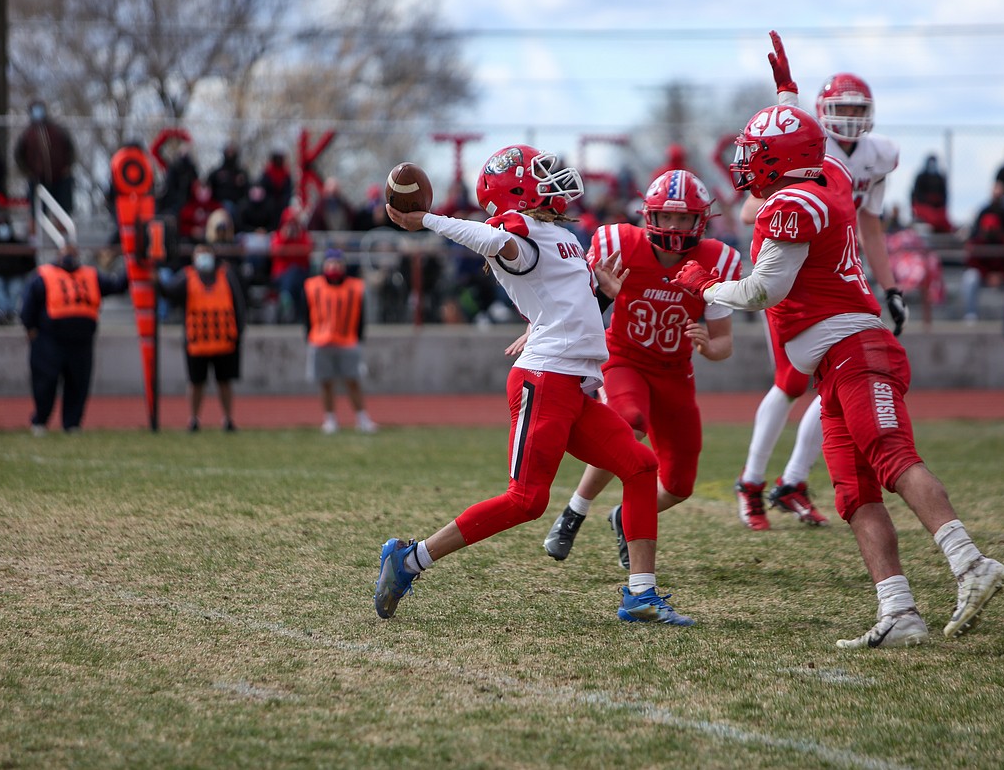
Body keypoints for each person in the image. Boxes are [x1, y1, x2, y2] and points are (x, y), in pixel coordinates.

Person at [672, 97, 1004, 649]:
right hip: (834, 363)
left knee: (891, 452)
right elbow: (818, 148)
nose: (746, 163)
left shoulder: (797, 202)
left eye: (757, 153)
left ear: (782, 158)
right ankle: (898, 611)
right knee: (854, 493)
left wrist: (704, 285)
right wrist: (786, 95)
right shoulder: (826, 175)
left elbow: (763, 291)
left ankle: (971, 564)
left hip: (856, 348)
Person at [373, 143, 695, 626]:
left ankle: (641, 595)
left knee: (641, 465)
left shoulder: (553, 233)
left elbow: (565, 304)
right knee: (527, 500)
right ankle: (410, 559)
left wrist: (602, 297)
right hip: (545, 380)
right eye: (540, 171)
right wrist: (431, 221)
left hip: (572, 383)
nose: (553, 176)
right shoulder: (514, 234)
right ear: (516, 188)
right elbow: (495, 243)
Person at [734, 31, 909, 532]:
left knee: (836, 384)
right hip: (794, 274)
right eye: (842, 109)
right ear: (821, 111)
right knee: (791, 384)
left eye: (858, 109)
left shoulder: (879, 156)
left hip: (839, 272)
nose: (850, 120)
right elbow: (751, 206)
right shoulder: (812, 143)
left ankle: (790, 481)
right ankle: (751, 482)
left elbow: (870, 225)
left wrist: (891, 286)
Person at [539, 169, 742, 568]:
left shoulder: (717, 261)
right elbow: (573, 300)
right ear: (650, 215)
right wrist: (543, 325)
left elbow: (725, 344)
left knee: (680, 485)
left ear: (700, 220)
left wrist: (706, 344)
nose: (674, 225)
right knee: (628, 424)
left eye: (683, 218)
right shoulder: (620, 244)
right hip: (625, 359)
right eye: (666, 216)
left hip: (675, 371)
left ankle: (619, 517)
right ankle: (575, 511)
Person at [19, 241, 129, 434]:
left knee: (78, 383)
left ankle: (72, 423)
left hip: (82, 341)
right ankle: (40, 421)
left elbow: (117, 286)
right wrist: (31, 329)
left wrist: (132, 265)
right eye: (65, 252)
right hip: (50, 340)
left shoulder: (90, 275)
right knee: (46, 382)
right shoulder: (44, 276)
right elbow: (29, 306)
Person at [157, 243, 245, 432]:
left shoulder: (226, 274)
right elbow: (170, 292)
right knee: (196, 383)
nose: (203, 258)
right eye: (199, 254)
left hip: (224, 341)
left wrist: (239, 334)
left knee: (225, 382)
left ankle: (228, 419)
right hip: (197, 342)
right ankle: (194, 419)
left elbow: (239, 305)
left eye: (206, 254)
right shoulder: (187, 277)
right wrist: (155, 280)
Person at [299, 248, 378, 434]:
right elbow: (305, 315)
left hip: (348, 341)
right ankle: (330, 419)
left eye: (337, 263)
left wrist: (359, 339)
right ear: (324, 265)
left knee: (353, 381)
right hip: (320, 341)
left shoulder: (355, 286)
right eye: (331, 262)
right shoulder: (312, 285)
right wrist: (309, 337)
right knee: (326, 382)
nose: (334, 266)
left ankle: (362, 418)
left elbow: (361, 317)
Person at [13, 100, 77, 227]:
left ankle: (65, 238)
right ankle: (36, 237)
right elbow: (18, 155)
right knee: (37, 212)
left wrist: (67, 167)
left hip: (60, 178)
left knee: (63, 210)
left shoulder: (57, 130)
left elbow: (70, 148)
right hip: (38, 180)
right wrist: (28, 172)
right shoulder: (27, 134)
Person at [269, 205, 314, 323]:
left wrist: (297, 237)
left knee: (294, 273)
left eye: (293, 224)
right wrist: (285, 238)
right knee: (291, 275)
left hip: (301, 274)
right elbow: (275, 252)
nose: (291, 227)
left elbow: (308, 252)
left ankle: (286, 297)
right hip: (281, 276)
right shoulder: (278, 235)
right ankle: (286, 299)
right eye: (289, 224)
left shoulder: (303, 235)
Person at [909, 154, 953, 234]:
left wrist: (937, 202)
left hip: (938, 208)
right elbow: (917, 194)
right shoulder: (921, 177)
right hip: (923, 207)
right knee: (932, 218)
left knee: (942, 221)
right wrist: (928, 200)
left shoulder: (940, 178)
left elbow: (944, 196)